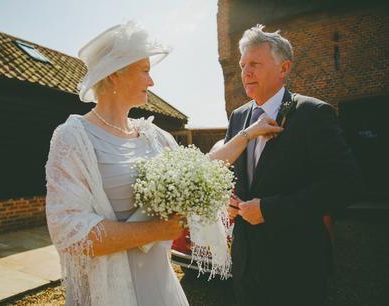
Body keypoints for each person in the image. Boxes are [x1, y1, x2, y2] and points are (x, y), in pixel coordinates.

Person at [45, 21, 281, 306]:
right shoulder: (74, 138)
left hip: (158, 286)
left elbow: (200, 170)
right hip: (109, 292)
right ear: (114, 75)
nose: (151, 81)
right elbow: (69, 232)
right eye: (145, 70)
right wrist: (156, 231)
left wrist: (247, 133)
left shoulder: (152, 136)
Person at [225, 25, 362, 306]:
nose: (245, 73)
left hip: (296, 264)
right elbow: (230, 176)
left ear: (283, 68)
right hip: (246, 265)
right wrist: (227, 200)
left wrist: (269, 209)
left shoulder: (313, 114)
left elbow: (346, 185)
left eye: (254, 64)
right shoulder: (238, 118)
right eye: (242, 66)